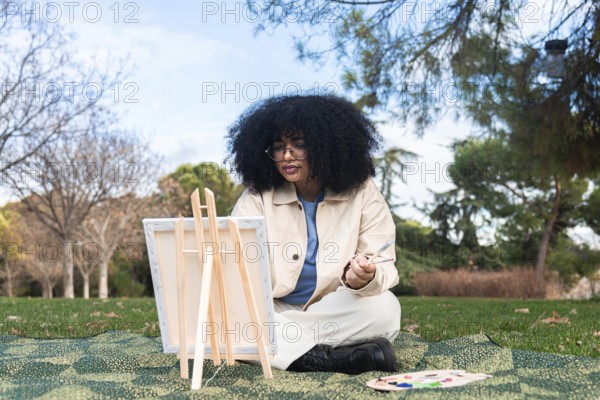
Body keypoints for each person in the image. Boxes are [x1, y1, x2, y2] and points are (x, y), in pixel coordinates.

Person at [227, 94, 401, 374]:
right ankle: (329, 358)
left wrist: (366, 277)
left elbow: (383, 262)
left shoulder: (363, 191)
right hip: (273, 310)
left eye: (299, 145)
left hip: (334, 307)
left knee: (385, 309)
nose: (286, 155)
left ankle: (280, 348)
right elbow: (232, 265)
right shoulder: (256, 197)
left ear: (325, 147)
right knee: (219, 319)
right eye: (279, 147)